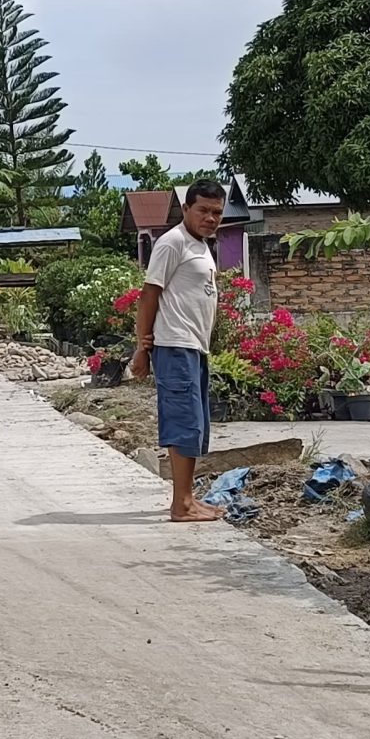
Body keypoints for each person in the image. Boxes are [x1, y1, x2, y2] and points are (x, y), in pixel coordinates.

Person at [130, 179, 227, 523]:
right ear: (186, 209)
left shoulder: (200, 246)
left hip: (194, 347)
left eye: (216, 211)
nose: (210, 218)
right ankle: (180, 505)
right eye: (202, 210)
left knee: (196, 425)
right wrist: (142, 349)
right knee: (184, 423)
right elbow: (149, 295)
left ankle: (187, 497)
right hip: (174, 344)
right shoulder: (172, 243)